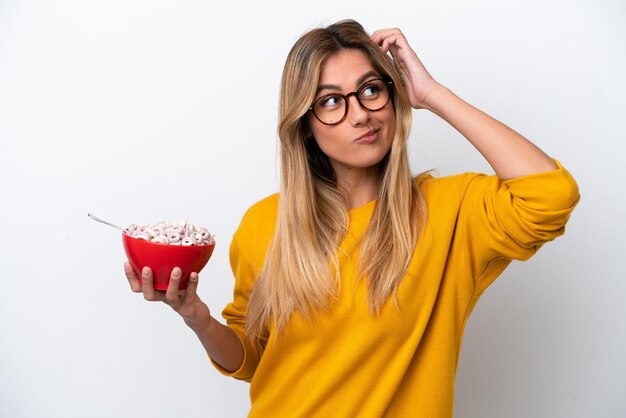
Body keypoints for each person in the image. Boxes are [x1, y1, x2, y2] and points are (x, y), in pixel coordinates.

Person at [124, 19, 579, 417]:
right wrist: (198, 318)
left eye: (370, 90)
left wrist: (431, 95)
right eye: (331, 101)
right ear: (305, 124)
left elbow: (551, 195)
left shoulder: (450, 210)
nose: (360, 114)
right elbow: (255, 360)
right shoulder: (264, 224)